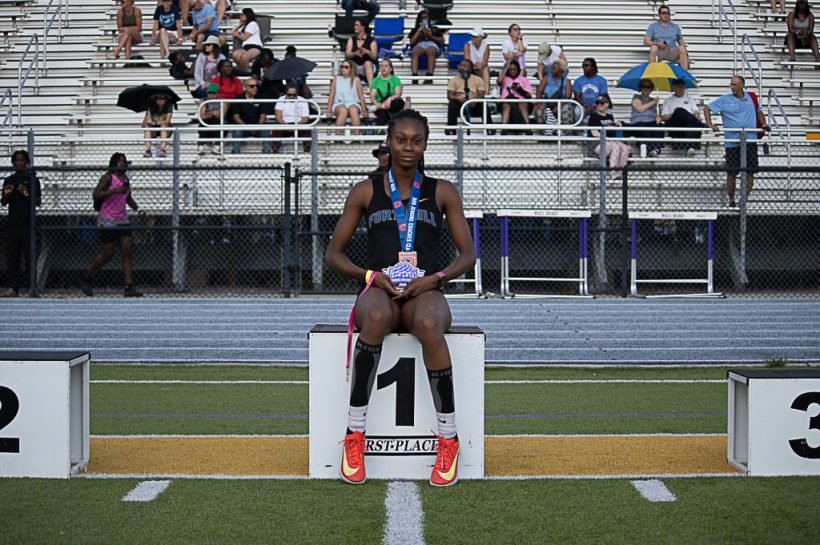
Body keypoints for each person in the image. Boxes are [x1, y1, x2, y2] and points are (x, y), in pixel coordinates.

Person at [324, 109, 476, 487]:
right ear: (388, 143)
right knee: (374, 318)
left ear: (425, 145)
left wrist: (435, 279)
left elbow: (468, 255)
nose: (408, 147)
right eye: (401, 140)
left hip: (424, 291)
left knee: (428, 323)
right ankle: (355, 435)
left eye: (416, 141)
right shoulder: (365, 190)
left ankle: (449, 437)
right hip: (381, 290)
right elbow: (334, 255)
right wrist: (370, 276)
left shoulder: (441, 190)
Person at [81, 153, 145, 298]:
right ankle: (87, 277)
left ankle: (129, 286)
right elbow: (96, 194)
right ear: (114, 163)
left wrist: (138, 209)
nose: (122, 164)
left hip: (122, 219)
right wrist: (114, 190)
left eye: (124, 162)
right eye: (119, 162)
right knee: (108, 254)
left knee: (127, 250)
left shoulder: (126, 179)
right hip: (108, 219)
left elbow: (128, 197)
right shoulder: (108, 177)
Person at [704, 75, 770, 207]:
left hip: (750, 141)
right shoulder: (725, 99)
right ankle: (731, 200)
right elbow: (707, 108)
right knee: (732, 174)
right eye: (731, 84)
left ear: (742, 85)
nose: (732, 87)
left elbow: (759, 112)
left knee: (750, 173)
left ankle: (743, 201)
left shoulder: (751, 97)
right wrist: (710, 125)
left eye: (734, 84)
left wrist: (764, 124)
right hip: (732, 143)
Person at [1, 150, 40, 298]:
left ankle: (32, 287)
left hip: (28, 224)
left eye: (22, 160)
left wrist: (26, 193)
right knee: (13, 257)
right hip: (13, 223)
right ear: (13, 162)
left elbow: (37, 202)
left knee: (30, 256)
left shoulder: (32, 179)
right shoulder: (9, 180)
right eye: (17, 160)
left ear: (26, 162)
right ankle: (14, 288)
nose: (19, 163)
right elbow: (3, 202)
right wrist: (7, 194)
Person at [661, 78, 705, 156]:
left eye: (683, 87)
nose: (681, 89)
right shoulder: (668, 100)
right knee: (679, 110)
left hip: (688, 124)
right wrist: (674, 114)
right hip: (675, 125)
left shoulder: (689, 99)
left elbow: (695, 111)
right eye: (679, 87)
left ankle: (690, 148)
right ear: (674, 87)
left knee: (690, 124)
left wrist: (696, 115)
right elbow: (663, 117)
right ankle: (701, 125)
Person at [588, 94, 629, 178]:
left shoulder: (610, 116)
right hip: (598, 145)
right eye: (597, 102)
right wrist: (609, 140)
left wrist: (617, 125)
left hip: (610, 143)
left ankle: (620, 173)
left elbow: (612, 134)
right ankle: (613, 173)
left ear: (607, 104)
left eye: (601, 103)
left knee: (625, 148)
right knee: (615, 146)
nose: (599, 104)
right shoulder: (593, 116)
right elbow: (594, 133)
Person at [327, 60, 369, 136]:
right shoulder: (336, 79)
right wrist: (328, 110)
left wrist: (364, 111)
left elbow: (361, 96)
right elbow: (331, 95)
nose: (343, 69)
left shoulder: (356, 79)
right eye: (342, 67)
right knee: (343, 110)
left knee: (353, 110)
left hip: (353, 103)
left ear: (351, 69)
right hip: (339, 103)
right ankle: (337, 136)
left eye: (346, 67)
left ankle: (356, 136)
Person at [229, 78, 271, 154]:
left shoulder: (262, 98)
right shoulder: (238, 99)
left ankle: (267, 155)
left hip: (258, 127)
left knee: (265, 131)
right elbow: (236, 117)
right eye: (252, 86)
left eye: (256, 86)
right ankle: (236, 154)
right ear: (245, 87)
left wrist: (257, 127)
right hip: (243, 127)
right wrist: (247, 127)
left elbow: (263, 116)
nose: (255, 88)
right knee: (237, 132)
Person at [446, 59, 488, 134]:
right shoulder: (453, 80)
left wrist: (474, 101)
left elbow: (481, 95)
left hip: (473, 104)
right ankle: (451, 129)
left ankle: (490, 128)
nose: (462, 68)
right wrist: (458, 99)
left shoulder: (478, 79)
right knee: (452, 104)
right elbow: (450, 95)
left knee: (483, 104)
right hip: (460, 104)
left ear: (470, 69)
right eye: (460, 66)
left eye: (464, 66)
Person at [644, 5, 689, 69]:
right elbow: (646, 41)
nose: (666, 15)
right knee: (653, 48)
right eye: (664, 13)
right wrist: (657, 43)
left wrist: (686, 55)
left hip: (672, 51)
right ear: (659, 15)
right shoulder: (653, 26)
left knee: (681, 48)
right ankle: (653, 71)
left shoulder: (675, 27)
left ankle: (684, 74)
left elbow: (681, 42)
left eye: (668, 13)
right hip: (659, 51)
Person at [273, 83, 312, 154]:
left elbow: (305, 118)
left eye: (294, 95)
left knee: (307, 128)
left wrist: (296, 126)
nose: (291, 96)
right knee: (276, 128)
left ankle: (307, 152)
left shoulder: (302, 100)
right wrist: (286, 126)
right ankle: (275, 153)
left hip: (298, 125)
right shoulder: (281, 99)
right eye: (289, 95)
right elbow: (278, 117)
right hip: (284, 125)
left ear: (297, 93)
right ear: (286, 93)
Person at [409, 10, 445, 85]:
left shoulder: (435, 28)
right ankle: (415, 76)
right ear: (419, 19)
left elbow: (441, 40)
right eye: (422, 18)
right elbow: (412, 42)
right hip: (420, 44)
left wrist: (430, 35)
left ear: (429, 18)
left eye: (426, 17)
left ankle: (429, 76)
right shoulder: (415, 29)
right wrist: (419, 31)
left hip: (432, 44)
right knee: (415, 52)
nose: (424, 19)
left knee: (430, 51)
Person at [629, 78, 663, 157]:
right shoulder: (636, 97)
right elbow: (640, 109)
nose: (646, 88)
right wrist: (654, 101)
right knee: (645, 129)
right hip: (638, 122)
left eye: (648, 87)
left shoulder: (654, 101)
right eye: (643, 86)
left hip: (651, 122)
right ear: (640, 88)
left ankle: (655, 149)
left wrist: (659, 117)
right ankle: (650, 150)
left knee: (657, 127)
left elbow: (659, 113)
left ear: (651, 89)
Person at [536, 58, 572, 127]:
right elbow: (539, 92)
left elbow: (567, 97)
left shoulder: (567, 82)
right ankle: (544, 133)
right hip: (547, 103)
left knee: (567, 109)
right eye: (552, 67)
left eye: (554, 68)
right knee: (539, 110)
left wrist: (557, 107)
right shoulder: (546, 78)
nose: (551, 69)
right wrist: (539, 103)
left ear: (561, 70)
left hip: (561, 105)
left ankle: (566, 134)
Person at [499, 59, 533, 126]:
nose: (513, 71)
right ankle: (504, 128)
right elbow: (499, 81)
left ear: (518, 70)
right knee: (506, 106)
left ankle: (527, 127)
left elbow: (529, 95)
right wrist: (505, 69)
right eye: (510, 70)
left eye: (515, 69)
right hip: (507, 101)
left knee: (522, 105)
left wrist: (520, 90)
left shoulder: (523, 79)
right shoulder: (505, 78)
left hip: (521, 101)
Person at [370, 59, 404, 126]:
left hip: (393, 102)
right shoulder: (375, 80)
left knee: (400, 102)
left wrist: (389, 99)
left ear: (390, 69)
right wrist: (376, 103)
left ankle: (383, 107)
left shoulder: (395, 79)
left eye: (386, 66)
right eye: (382, 66)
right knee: (382, 112)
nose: (383, 68)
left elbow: (398, 94)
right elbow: (372, 96)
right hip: (380, 104)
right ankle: (380, 132)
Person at [345, 19, 378, 87]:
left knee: (367, 63)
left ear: (363, 27)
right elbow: (347, 54)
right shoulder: (351, 39)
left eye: (357, 25)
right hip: (355, 66)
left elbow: (374, 56)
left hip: (367, 67)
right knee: (347, 64)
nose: (354, 27)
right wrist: (355, 53)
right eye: (354, 25)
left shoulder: (371, 40)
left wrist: (367, 52)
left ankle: (371, 87)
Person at [141, 94, 174, 158]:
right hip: (154, 130)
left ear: (166, 100)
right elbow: (143, 125)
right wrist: (147, 118)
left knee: (163, 125)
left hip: (166, 129)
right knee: (147, 127)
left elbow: (167, 121)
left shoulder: (169, 105)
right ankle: (148, 150)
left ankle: (163, 150)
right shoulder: (151, 106)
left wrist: (154, 122)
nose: (159, 100)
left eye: (162, 98)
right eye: (157, 98)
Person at [198, 83, 226, 155]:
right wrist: (214, 113)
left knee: (218, 122)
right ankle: (200, 146)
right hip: (208, 123)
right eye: (210, 93)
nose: (211, 95)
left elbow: (220, 115)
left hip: (218, 123)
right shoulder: (202, 101)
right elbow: (202, 116)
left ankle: (217, 146)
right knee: (203, 123)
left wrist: (209, 113)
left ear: (217, 94)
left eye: (214, 93)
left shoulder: (223, 101)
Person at [464, 27, 491, 98]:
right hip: (471, 67)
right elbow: (467, 60)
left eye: (474, 36)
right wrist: (474, 65)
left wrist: (480, 66)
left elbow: (485, 62)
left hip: (481, 68)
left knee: (484, 69)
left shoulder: (486, 46)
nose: (472, 37)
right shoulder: (467, 44)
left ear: (480, 38)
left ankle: (486, 94)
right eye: (472, 36)